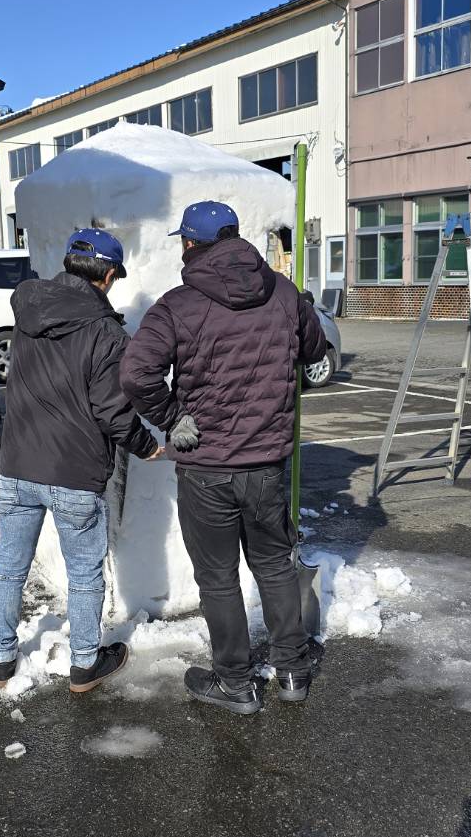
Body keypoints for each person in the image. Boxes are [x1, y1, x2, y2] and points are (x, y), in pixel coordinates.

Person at [121, 201, 327, 715]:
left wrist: (171, 418)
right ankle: (292, 671)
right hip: (266, 465)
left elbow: (136, 373)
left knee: (218, 578)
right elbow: (314, 350)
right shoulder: (282, 293)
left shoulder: (177, 305)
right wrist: (299, 316)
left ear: (191, 244)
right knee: (274, 566)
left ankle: (235, 682)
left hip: (207, 467)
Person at [0, 229, 162, 695]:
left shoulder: (27, 307)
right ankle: (84, 664)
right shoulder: (106, 333)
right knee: (83, 574)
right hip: (74, 472)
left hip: (18, 465)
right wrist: (146, 445)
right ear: (109, 274)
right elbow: (112, 411)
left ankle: (1, 660)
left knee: (8, 566)